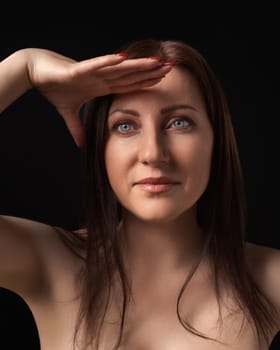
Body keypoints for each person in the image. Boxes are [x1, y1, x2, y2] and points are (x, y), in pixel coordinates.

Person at [0, 38, 279, 350]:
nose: (153, 153)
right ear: (100, 149)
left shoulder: (269, 279)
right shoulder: (49, 264)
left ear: (216, 141)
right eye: (125, 126)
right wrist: (24, 67)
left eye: (179, 122)